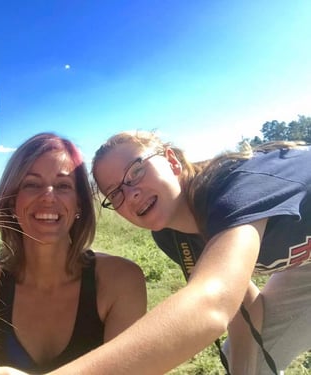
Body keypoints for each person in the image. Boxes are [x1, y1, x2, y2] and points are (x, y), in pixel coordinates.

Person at [36, 130, 311, 375]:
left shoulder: (235, 187)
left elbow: (213, 302)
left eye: (136, 171)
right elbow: (244, 306)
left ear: (172, 160)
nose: (130, 193)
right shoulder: (170, 234)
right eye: (115, 192)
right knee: (246, 357)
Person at [0, 132, 147, 374]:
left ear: (79, 203)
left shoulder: (120, 281)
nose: (48, 196)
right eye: (32, 184)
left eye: (63, 185)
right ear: (11, 202)